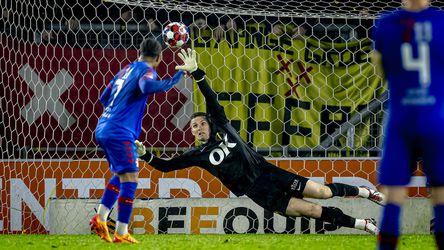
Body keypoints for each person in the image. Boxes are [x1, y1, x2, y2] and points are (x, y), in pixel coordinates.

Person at [136, 48, 385, 235]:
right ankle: (364, 224)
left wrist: (198, 73)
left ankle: (366, 192)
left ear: (210, 124)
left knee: (322, 192)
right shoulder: (198, 155)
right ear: (191, 133)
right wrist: (146, 155)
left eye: (201, 123)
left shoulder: (222, 126)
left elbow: (211, 99)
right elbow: (165, 167)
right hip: (259, 193)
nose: (198, 128)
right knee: (311, 211)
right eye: (194, 127)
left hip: (269, 173)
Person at [90, 38, 185, 243]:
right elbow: (146, 87)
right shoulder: (147, 70)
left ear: (138, 53)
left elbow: (104, 98)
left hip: (104, 127)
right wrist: (177, 77)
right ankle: (121, 232)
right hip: (119, 131)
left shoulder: (124, 70)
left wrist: (119, 111)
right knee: (131, 180)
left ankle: (101, 218)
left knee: (122, 175)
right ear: (159, 58)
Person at [372, 0, 444, 249]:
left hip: (401, 119)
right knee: (440, 195)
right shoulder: (442, 22)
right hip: (436, 118)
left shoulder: (385, 24)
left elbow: (381, 70)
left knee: (394, 196)